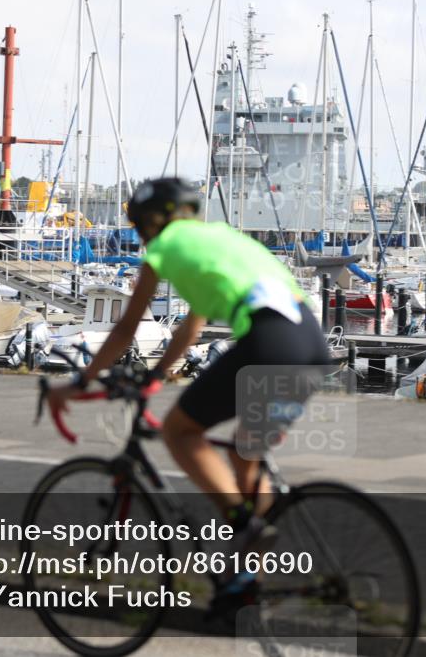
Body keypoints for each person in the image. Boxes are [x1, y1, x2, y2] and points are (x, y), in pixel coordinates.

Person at [46, 178, 330, 593]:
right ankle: (247, 580)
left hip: (269, 343)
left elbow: (126, 328)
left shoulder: (163, 249)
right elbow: (191, 327)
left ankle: (244, 526)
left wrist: (78, 383)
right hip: (312, 348)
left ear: (150, 223)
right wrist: (156, 376)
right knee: (245, 455)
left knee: (180, 432)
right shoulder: (220, 238)